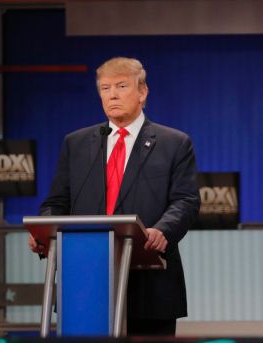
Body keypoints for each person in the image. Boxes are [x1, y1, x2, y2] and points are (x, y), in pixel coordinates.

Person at [28, 57, 200, 335]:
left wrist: (162, 231)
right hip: (85, 285)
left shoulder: (174, 143)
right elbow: (56, 203)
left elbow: (186, 201)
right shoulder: (77, 143)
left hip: (149, 285)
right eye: (105, 88)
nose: (113, 95)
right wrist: (43, 233)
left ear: (142, 92)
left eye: (121, 86)